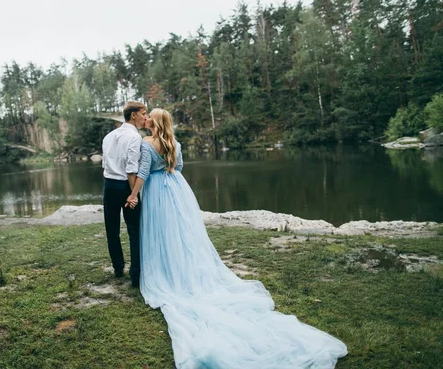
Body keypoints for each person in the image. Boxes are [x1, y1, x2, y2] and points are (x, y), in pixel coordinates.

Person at [126, 108, 348, 369]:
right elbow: (180, 167)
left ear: (155, 121)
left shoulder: (145, 144)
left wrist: (133, 195)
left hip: (156, 192)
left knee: (162, 235)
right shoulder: (175, 143)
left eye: (149, 115)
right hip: (176, 190)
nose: (146, 118)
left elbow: (142, 173)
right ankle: (183, 271)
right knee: (182, 235)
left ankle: (167, 273)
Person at [102, 101, 147, 288]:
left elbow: (105, 164)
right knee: (134, 230)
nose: (145, 117)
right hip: (125, 186)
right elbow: (131, 168)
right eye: (143, 113)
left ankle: (118, 267)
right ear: (133, 115)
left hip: (108, 186)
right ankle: (135, 275)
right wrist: (134, 195)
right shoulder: (135, 137)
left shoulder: (108, 136)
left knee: (111, 229)